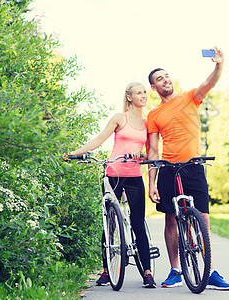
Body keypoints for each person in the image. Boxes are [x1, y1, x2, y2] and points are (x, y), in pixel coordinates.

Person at [146, 47, 229, 290]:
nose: (165, 80)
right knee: (171, 220)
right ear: (154, 88)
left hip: (193, 167)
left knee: (203, 219)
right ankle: (175, 270)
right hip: (168, 169)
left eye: (166, 76)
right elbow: (153, 150)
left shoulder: (190, 97)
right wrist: (151, 183)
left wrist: (219, 64)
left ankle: (210, 269)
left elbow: (210, 82)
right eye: (159, 79)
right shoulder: (154, 114)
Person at [63, 82, 156, 288]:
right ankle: (106, 271)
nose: (144, 95)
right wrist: (75, 153)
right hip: (113, 173)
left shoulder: (147, 122)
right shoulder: (119, 118)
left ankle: (147, 273)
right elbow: (99, 138)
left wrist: (139, 156)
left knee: (138, 223)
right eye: (139, 92)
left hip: (134, 176)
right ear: (129, 97)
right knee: (110, 224)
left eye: (144, 92)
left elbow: (150, 154)